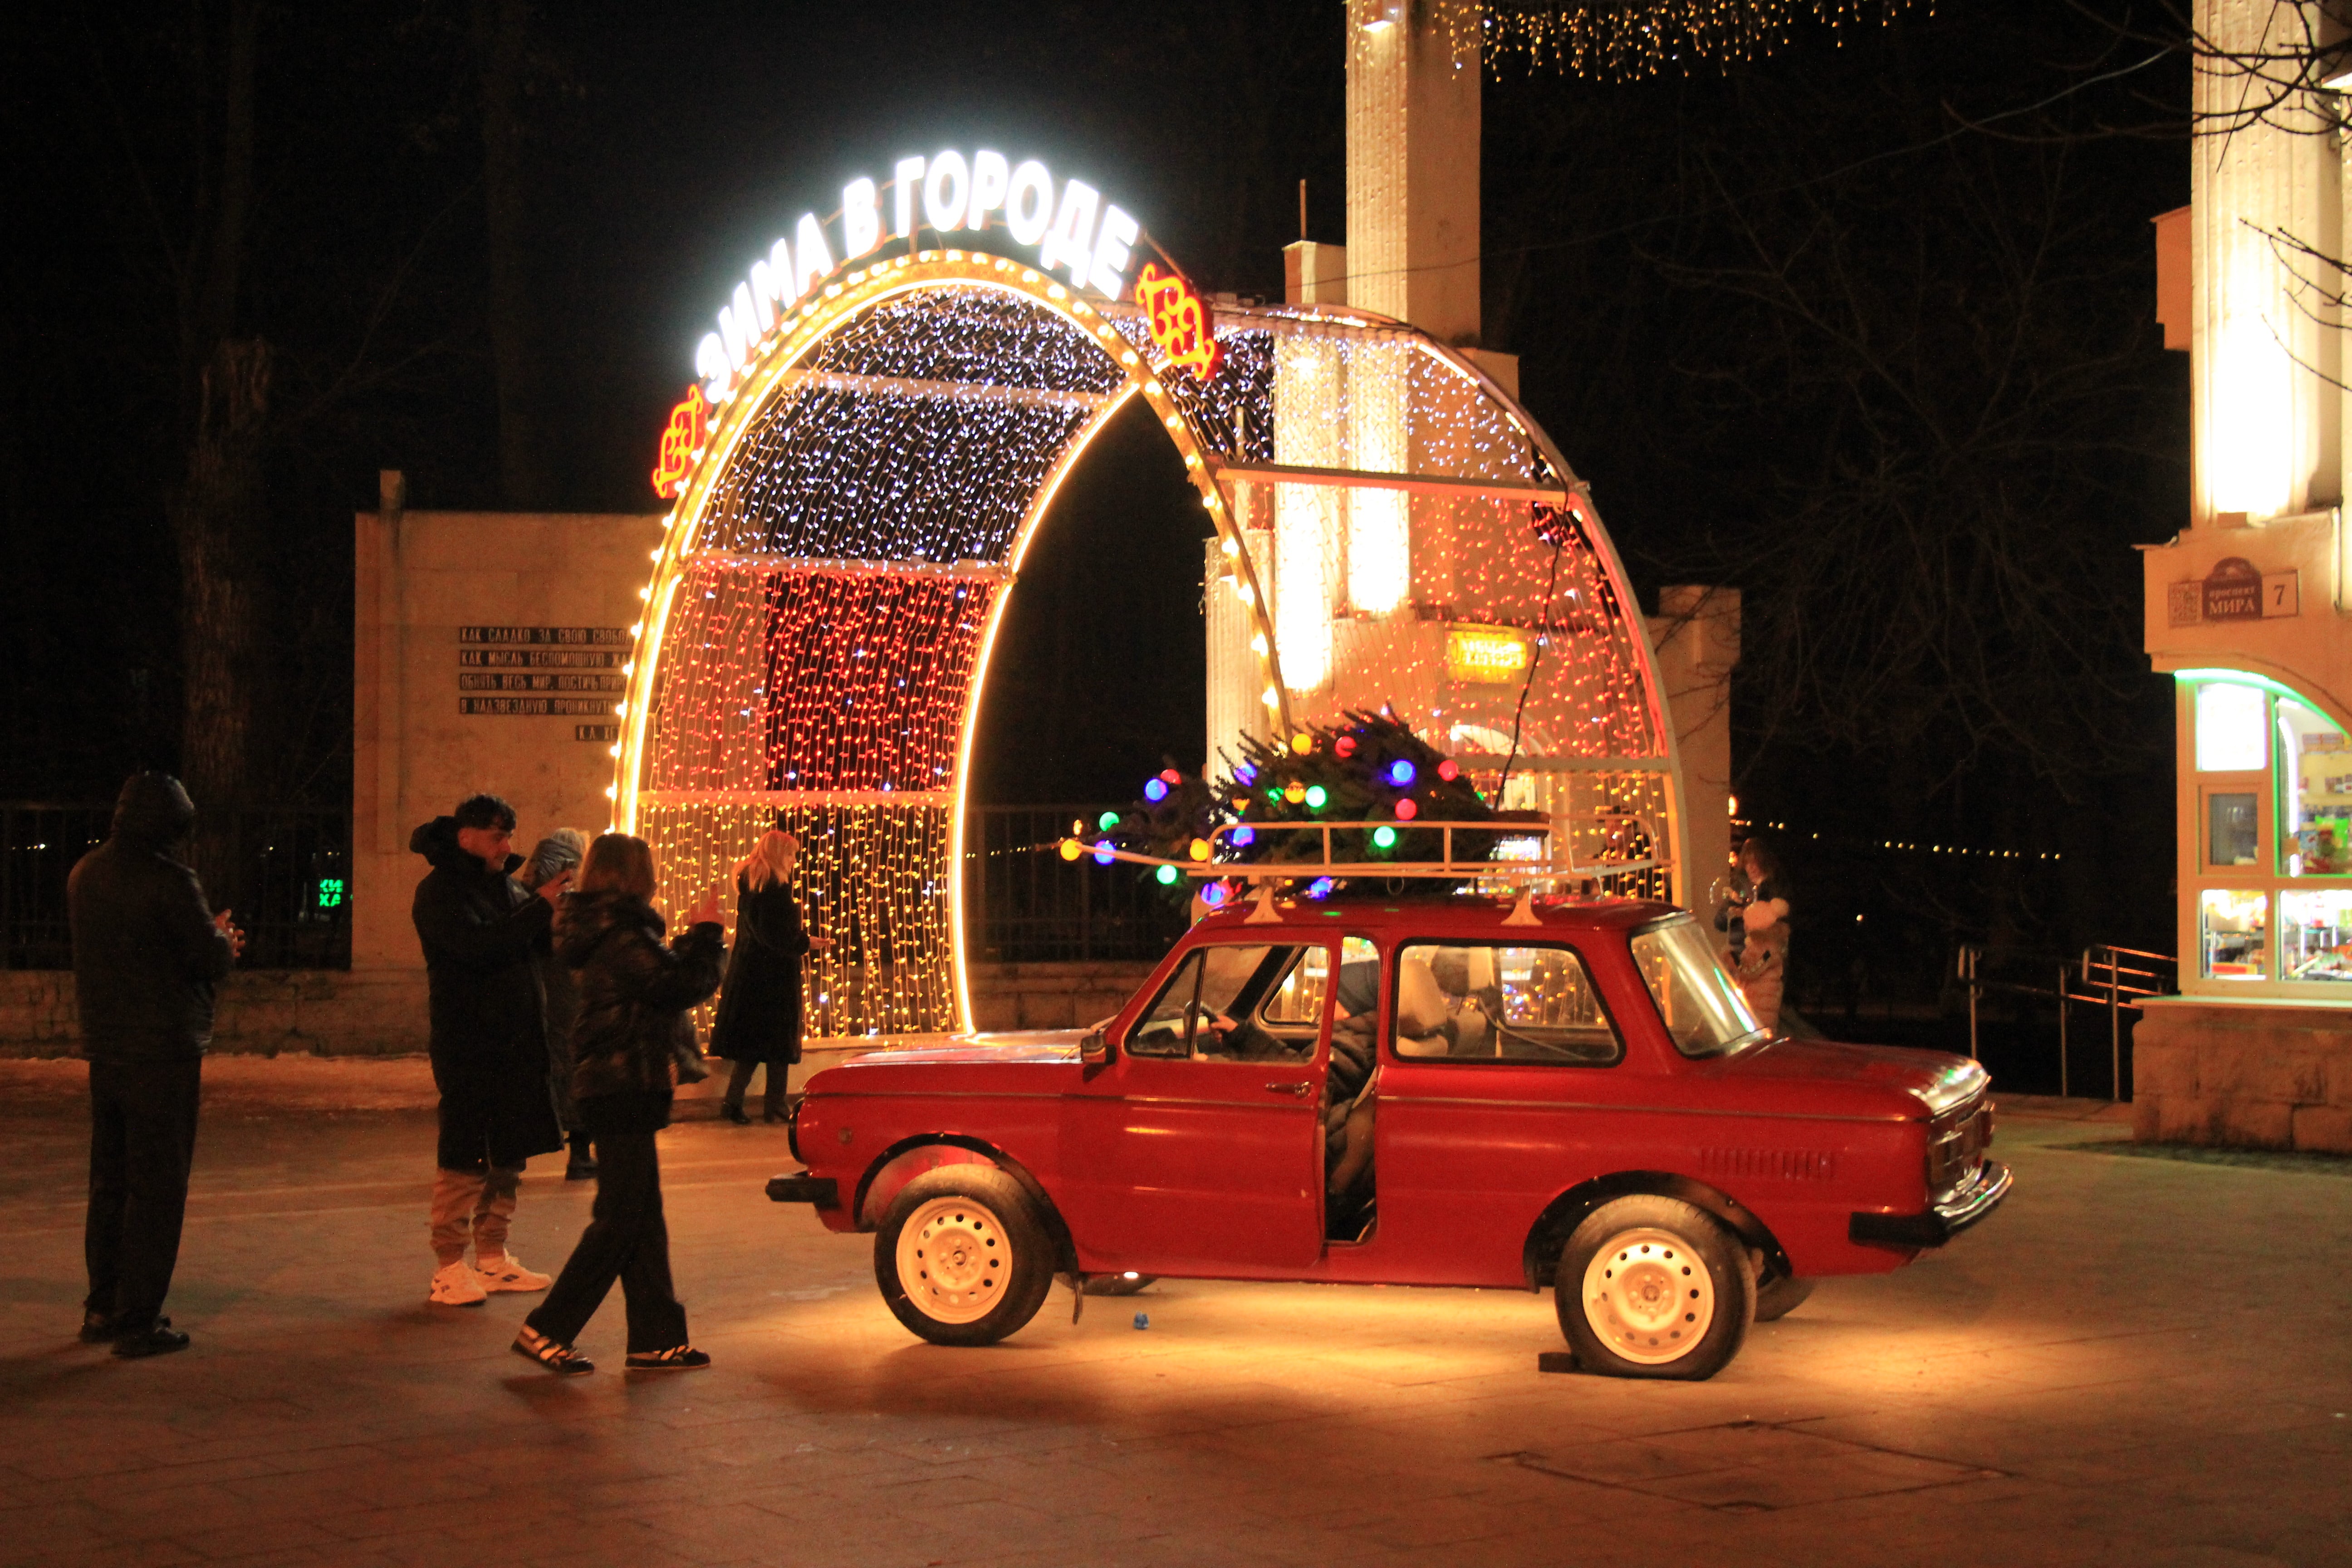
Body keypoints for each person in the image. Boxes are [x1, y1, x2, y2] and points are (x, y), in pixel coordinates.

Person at [514, 833, 725, 1375]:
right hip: (620, 1085)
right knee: (619, 1219)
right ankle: (547, 1328)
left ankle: (656, 1338)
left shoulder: (607, 928)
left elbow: (654, 980)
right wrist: (706, 934)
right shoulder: (620, 931)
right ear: (635, 875)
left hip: (622, 1085)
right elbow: (678, 984)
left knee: (642, 1216)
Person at [69, 772, 242, 1358]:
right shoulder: (171, 880)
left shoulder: (86, 872)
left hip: (108, 1046)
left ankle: (102, 1306)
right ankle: (139, 1319)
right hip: (163, 1050)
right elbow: (205, 956)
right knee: (158, 1187)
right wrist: (223, 939)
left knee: (110, 1181)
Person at [411, 794, 568, 1307]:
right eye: (498, 836)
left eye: (509, 836)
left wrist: (553, 917)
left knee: (509, 1150)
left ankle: (494, 1256)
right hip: (469, 1043)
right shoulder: (440, 893)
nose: (507, 847)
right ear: (466, 836)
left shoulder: (503, 887)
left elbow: (526, 946)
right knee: (466, 1151)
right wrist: (537, 909)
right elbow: (478, 948)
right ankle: (449, 1266)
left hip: (517, 1040)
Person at [709, 828, 828, 1124]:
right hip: (773, 978)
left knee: (754, 1047)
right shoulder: (774, 891)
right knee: (777, 1045)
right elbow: (777, 936)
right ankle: (770, 1104)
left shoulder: (754, 886)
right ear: (779, 855)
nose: (793, 862)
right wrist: (805, 942)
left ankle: (738, 1102)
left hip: (752, 976)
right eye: (790, 855)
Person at [521, 829, 594, 1179]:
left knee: (538, 1069)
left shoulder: (528, 888)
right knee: (576, 1068)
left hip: (536, 991)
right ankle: (580, 1156)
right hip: (571, 993)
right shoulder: (575, 888)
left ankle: (513, 1158)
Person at [1731, 833, 1793, 1033]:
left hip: (1765, 972)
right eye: (1747, 863)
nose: (1750, 868)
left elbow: (1761, 957)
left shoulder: (1767, 891)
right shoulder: (1763, 889)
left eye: (1753, 863)